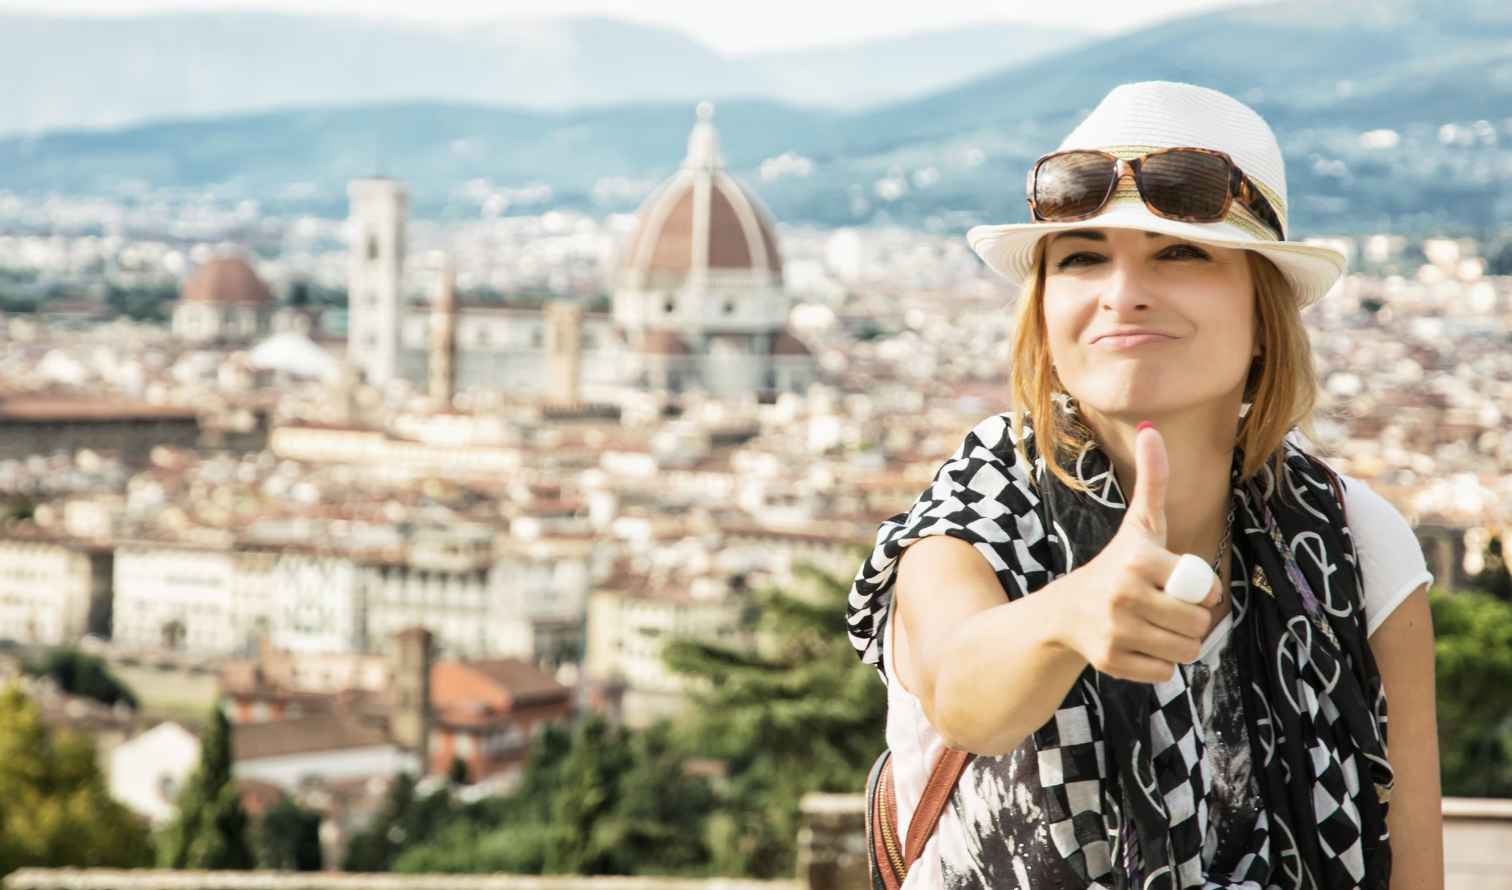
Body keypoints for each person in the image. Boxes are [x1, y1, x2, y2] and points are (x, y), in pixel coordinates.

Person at [846, 81, 1443, 890]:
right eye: (1084, 257)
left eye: (1181, 253)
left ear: (1264, 313)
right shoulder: (983, 506)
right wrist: (1068, 614)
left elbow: (1411, 866)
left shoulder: (1355, 540)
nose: (1122, 292)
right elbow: (962, 691)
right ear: (1045, 311)